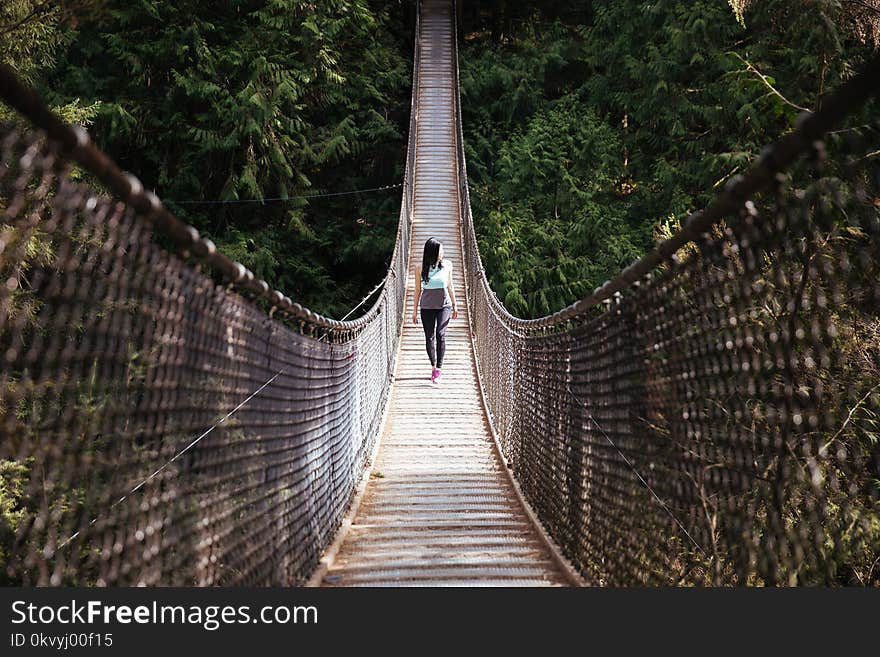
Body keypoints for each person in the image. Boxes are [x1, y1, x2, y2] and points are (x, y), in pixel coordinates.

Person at [412, 237, 459, 384]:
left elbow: (450, 286)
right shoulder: (420, 268)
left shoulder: (447, 265)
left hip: (444, 305)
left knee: (440, 334)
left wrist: (455, 304)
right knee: (429, 337)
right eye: (441, 250)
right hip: (426, 307)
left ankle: (439, 368)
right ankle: (433, 366)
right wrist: (413, 311)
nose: (443, 252)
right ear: (433, 252)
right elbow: (418, 290)